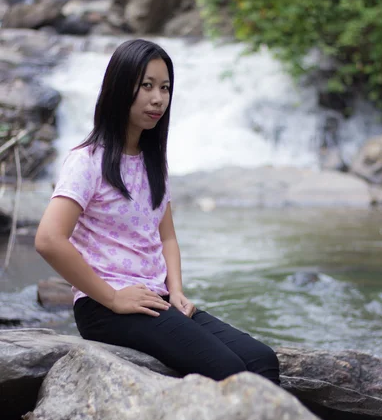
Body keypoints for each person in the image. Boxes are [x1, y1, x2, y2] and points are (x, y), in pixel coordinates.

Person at [35, 39, 280, 384]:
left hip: (156, 297)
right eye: (146, 86)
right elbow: (48, 239)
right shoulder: (87, 161)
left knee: (261, 359)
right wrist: (113, 297)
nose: (158, 98)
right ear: (120, 88)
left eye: (165, 88)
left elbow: (166, 236)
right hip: (105, 307)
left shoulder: (152, 161)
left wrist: (176, 290)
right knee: (229, 371)